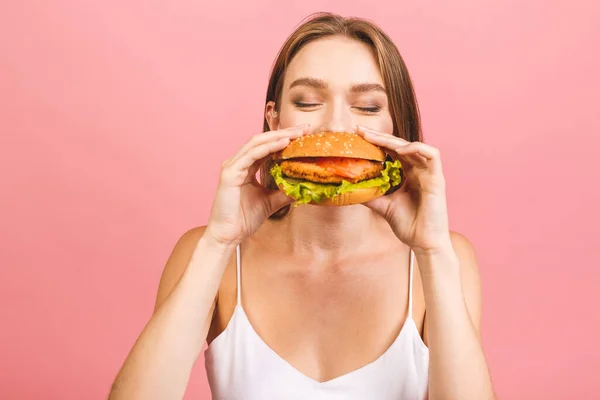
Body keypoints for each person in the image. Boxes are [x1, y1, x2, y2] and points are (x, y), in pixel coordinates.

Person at [109, 12, 497, 400]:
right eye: (308, 101)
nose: (337, 124)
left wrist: (431, 252)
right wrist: (220, 242)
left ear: (397, 129)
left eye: (367, 106)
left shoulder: (448, 258)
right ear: (274, 120)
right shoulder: (209, 252)